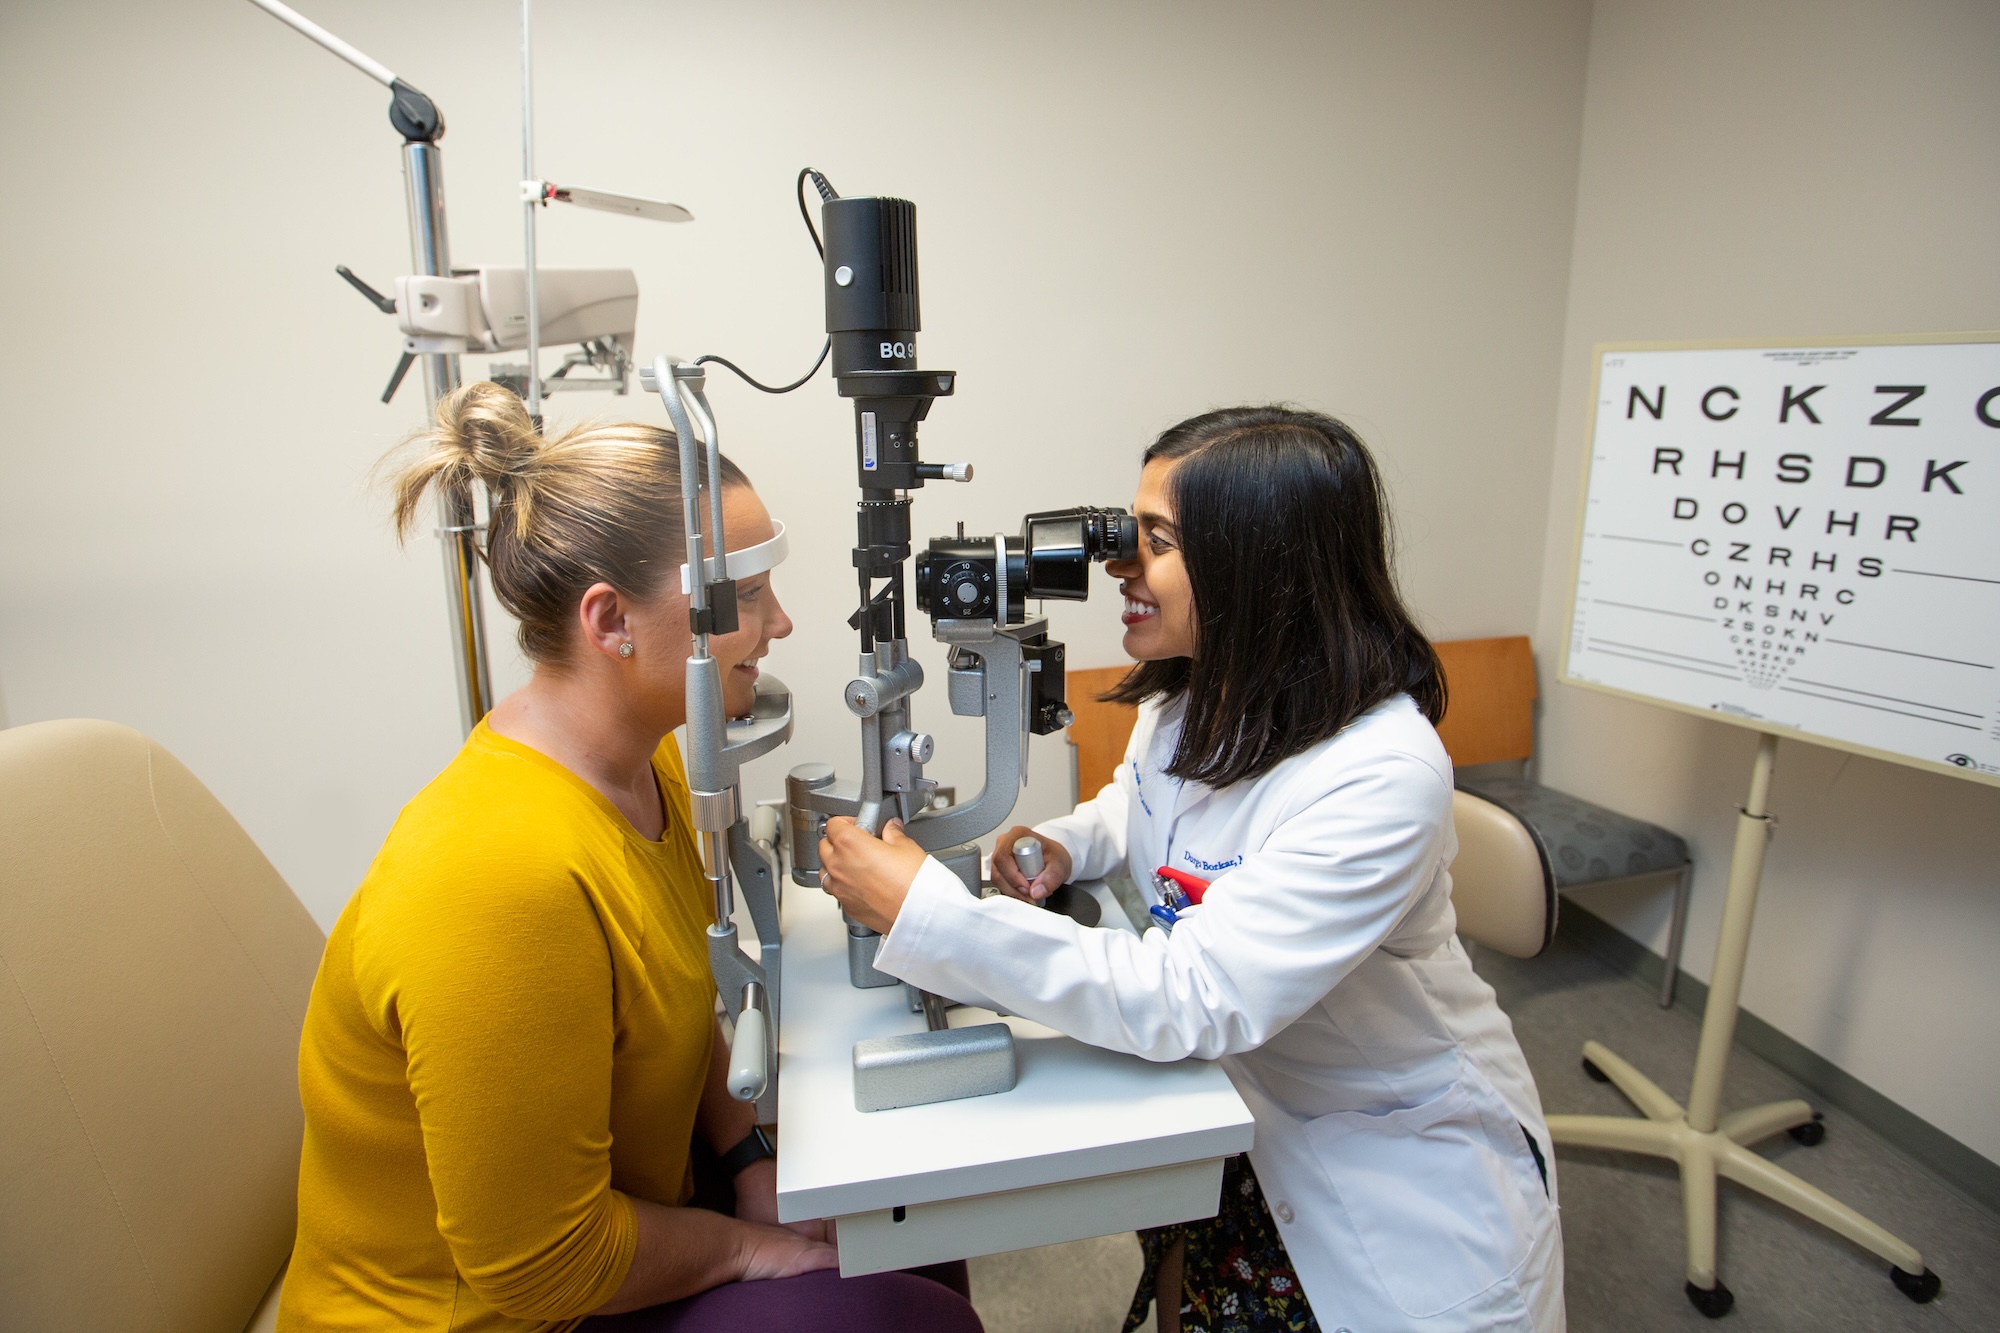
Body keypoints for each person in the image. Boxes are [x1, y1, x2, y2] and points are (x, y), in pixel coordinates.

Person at [818, 406, 1564, 1333]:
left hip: (1383, 1150)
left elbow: (1198, 995)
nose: (1118, 564)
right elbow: (1135, 806)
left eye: (1156, 540)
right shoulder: (1191, 698)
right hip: (1231, 1106)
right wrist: (1066, 844)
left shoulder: (1381, 774)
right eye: (1128, 533)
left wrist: (930, 915)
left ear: (1260, 563)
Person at [281, 382, 983, 1333]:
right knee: (901, 1318)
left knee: (915, 1214)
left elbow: (678, 991)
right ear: (611, 622)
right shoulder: (497, 877)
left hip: (611, 1234)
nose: (780, 625)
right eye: (747, 594)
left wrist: (750, 1165)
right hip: (503, 1312)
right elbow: (538, 1270)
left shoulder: (646, 760)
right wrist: (747, 1247)